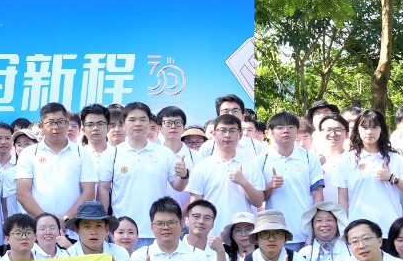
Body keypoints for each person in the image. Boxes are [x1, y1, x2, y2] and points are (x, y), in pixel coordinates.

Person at [240, 112, 326, 248]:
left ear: (297, 131)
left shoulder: (310, 157)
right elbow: (258, 200)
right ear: (269, 133)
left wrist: (315, 226)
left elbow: (318, 195)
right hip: (273, 232)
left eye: (291, 127)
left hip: (304, 232)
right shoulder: (261, 160)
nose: (286, 131)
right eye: (280, 127)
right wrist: (270, 186)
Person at [103, 103, 173, 244]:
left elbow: (178, 185)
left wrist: (184, 174)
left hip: (156, 231)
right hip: (122, 233)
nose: (138, 124)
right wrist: (104, 223)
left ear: (149, 123)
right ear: (124, 124)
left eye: (142, 119)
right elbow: (103, 189)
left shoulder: (164, 153)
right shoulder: (112, 153)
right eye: (132, 120)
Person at [15, 102, 93, 225]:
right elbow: (22, 193)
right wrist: (47, 221)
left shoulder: (82, 153)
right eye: (50, 123)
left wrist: (66, 219)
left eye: (60, 122)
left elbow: (89, 192)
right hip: (39, 227)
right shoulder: (29, 153)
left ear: (67, 124)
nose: (56, 127)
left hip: (73, 227)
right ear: (42, 125)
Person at [187, 113, 256, 240]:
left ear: (240, 134)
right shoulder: (202, 167)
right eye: (222, 130)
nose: (227, 135)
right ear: (214, 134)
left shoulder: (251, 165)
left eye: (232, 131)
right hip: (210, 236)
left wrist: (244, 183)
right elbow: (195, 204)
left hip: (242, 237)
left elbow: (258, 201)